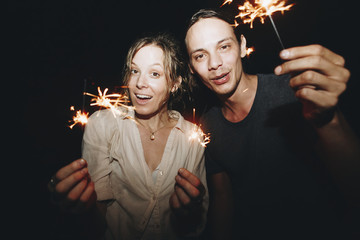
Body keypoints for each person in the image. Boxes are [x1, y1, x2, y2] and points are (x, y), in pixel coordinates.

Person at [184, 9, 360, 240]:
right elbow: (223, 200)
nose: (215, 63)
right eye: (200, 56)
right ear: (190, 67)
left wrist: (329, 120)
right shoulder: (207, 126)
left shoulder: (293, 91)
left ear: (242, 46)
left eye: (224, 47)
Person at [48, 33, 208, 240]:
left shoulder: (192, 136)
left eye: (155, 74)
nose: (140, 83)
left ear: (175, 83)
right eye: (135, 71)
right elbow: (95, 224)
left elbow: (199, 224)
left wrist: (187, 214)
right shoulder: (103, 125)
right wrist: (80, 208)